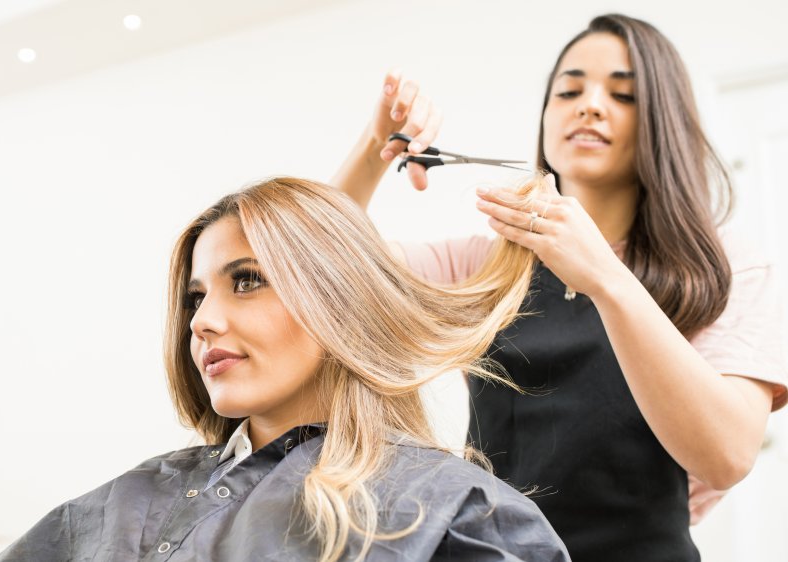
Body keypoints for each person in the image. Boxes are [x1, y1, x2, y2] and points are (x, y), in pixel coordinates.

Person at [332, 13, 787, 562]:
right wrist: (373, 147)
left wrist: (607, 280)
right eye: (569, 89)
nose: (589, 104)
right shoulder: (487, 264)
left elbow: (728, 456)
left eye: (622, 95)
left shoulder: (721, 267)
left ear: (663, 122)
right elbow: (321, 269)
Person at [0, 177, 569, 561]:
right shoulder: (122, 503)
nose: (202, 322)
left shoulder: (454, 514)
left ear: (337, 299)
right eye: (196, 298)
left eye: (246, 281)